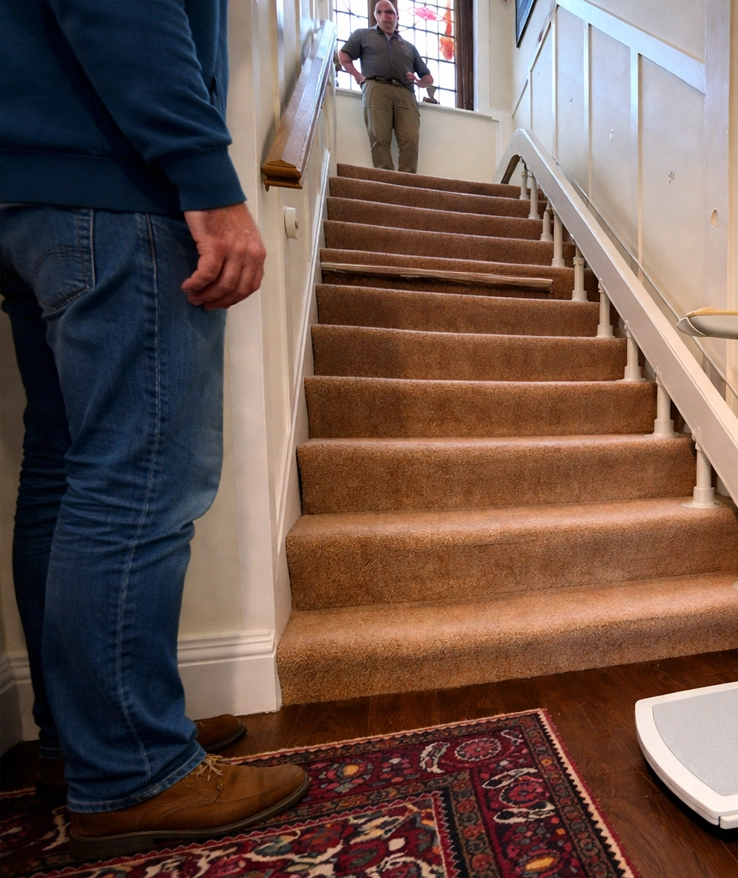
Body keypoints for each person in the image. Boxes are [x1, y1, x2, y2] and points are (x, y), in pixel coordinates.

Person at [0, 0, 308, 861]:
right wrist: (205, 172)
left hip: (37, 183)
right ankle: (131, 764)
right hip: (114, 182)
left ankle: (83, 738)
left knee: (67, 473)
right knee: (136, 482)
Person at [339, 0, 435, 173]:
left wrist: (419, 82)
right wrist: (358, 77)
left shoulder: (409, 47)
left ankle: (407, 181)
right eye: (380, 12)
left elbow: (428, 77)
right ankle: (385, 179)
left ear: (397, 17)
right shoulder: (362, 35)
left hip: (405, 92)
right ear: (375, 16)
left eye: (390, 12)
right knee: (379, 136)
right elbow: (344, 56)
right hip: (376, 88)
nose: (386, 15)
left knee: (411, 138)